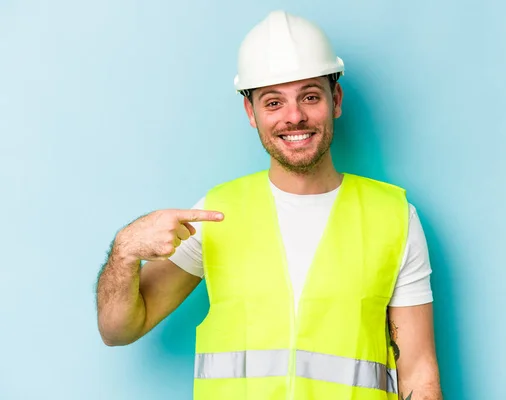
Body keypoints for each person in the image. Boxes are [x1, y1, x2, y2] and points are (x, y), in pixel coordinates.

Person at [96, 10, 443, 400]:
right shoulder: (215, 214)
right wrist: (124, 251)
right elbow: (118, 329)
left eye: (310, 96)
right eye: (273, 102)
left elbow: (418, 373)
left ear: (336, 99)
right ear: (251, 113)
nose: (294, 117)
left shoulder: (393, 218)